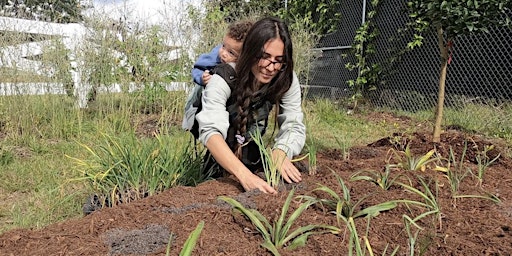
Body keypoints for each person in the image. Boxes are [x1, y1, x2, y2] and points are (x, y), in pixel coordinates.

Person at [195, 17, 306, 194]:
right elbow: (211, 131)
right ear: (250, 52)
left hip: (250, 127)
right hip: (223, 124)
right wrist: (244, 175)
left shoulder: (286, 79)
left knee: (252, 150)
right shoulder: (223, 79)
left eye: (279, 60)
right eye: (264, 57)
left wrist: (281, 151)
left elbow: (294, 123)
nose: (271, 67)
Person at [192, 20, 253, 86]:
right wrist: (202, 78)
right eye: (223, 46)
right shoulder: (215, 57)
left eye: (231, 53)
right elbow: (197, 68)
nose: (223, 53)